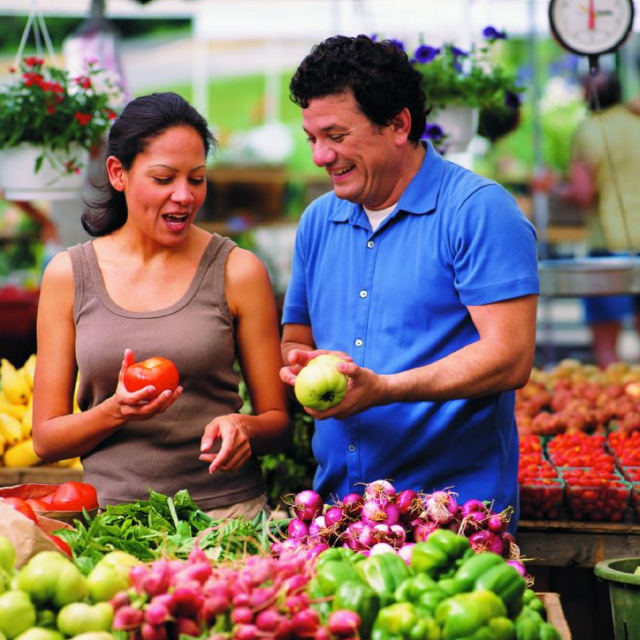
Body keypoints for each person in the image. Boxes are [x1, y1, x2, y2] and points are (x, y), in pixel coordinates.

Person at [279, 35, 540, 519]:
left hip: (455, 517)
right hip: (340, 514)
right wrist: (300, 365)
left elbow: (510, 357)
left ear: (398, 124)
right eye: (312, 138)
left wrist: (386, 388)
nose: (319, 156)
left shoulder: (478, 211)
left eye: (336, 136)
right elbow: (296, 337)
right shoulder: (318, 221)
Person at [32, 92, 291, 518]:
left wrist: (243, 426)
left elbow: (277, 422)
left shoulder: (239, 271)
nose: (184, 196)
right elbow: (46, 440)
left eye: (196, 178)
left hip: (225, 518)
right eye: (163, 178)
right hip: (113, 526)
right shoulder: (69, 275)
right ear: (119, 174)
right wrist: (116, 410)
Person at [552, 71, 640, 368]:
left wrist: (553, 187)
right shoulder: (636, 123)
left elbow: (583, 193)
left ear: (589, 94)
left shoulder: (590, 129)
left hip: (609, 242)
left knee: (607, 348)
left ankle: (619, 405)